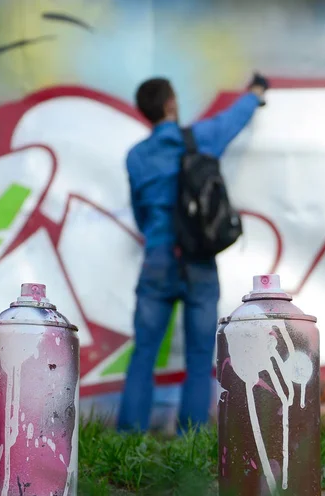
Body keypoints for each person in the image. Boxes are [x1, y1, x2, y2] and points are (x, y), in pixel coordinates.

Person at [117, 73, 269, 433]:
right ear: (171, 104)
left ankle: (127, 436)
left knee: (143, 354)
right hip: (199, 260)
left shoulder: (136, 157)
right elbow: (233, 119)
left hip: (157, 260)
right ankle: (191, 437)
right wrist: (255, 93)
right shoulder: (199, 139)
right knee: (201, 358)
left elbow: (140, 214)